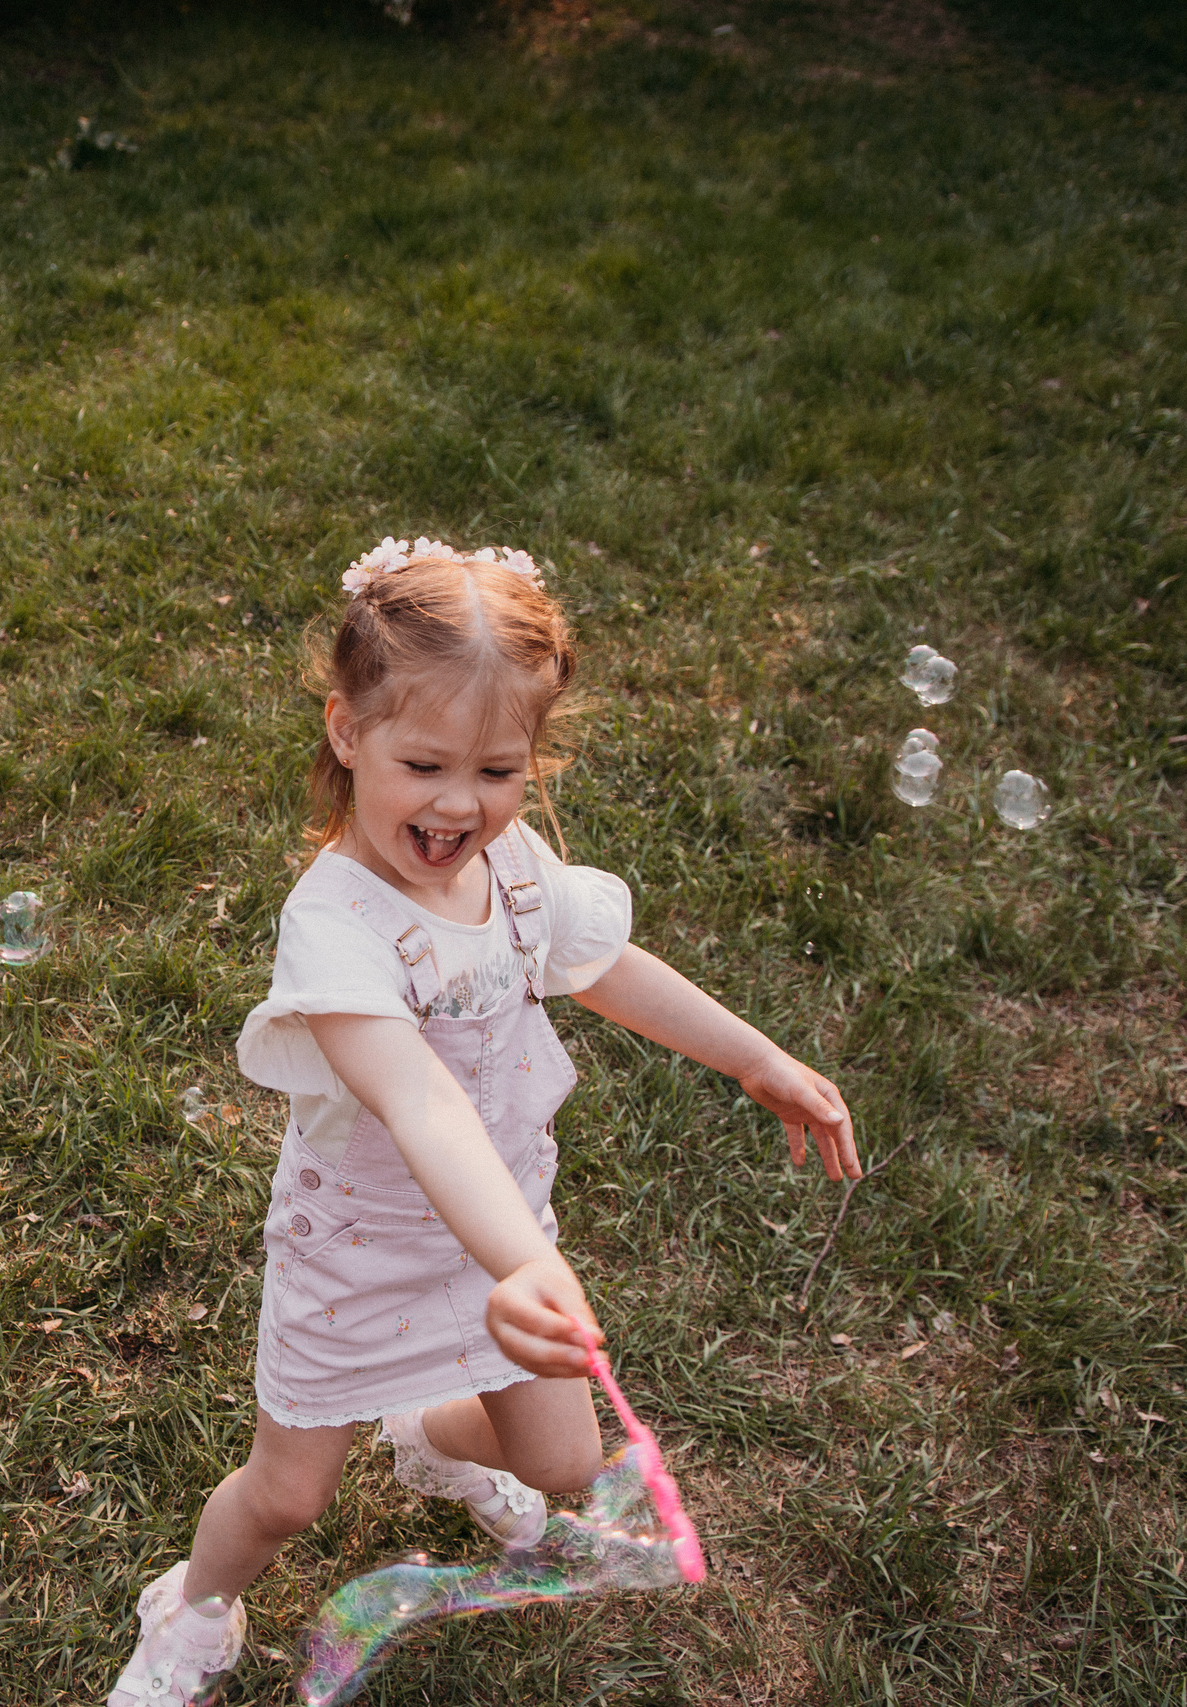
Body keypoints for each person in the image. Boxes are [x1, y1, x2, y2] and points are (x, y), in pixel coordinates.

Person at [106, 537, 861, 1707]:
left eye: (498, 772)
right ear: (346, 733)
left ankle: (422, 1435)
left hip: (504, 1229)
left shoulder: (511, 872)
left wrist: (755, 1058)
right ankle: (191, 1611)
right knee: (290, 1493)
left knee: (560, 1460)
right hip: (363, 1254)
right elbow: (417, 1102)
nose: (460, 805)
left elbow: (605, 967)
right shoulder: (337, 927)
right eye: (422, 763)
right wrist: (523, 1262)